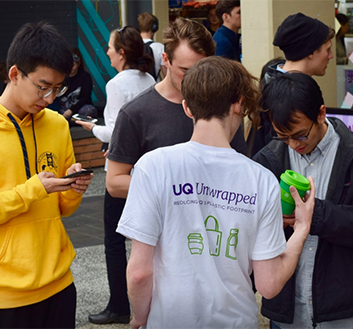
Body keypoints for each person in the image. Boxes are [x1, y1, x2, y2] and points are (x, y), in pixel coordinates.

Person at [117, 56, 316, 329]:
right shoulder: (261, 180)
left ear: (187, 108)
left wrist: (140, 317)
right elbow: (268, 285)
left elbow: (139, 273)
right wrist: (302, 228)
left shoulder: (153, 166)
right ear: (239, 104)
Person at [0, 22, 93, 329]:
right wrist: (30, 191)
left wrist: (72, 188)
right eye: (42, 86)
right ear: (14, 74)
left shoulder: (57, 126)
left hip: (60, 286)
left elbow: (62, 209)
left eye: (57, 88)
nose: (50, 98)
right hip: (1, 297)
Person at [103, 17, 247, 325]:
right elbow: (114, 182)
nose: (198, 80)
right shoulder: (137, 113)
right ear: (165, 60)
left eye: (204, 69)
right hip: (168, 253)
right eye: (187, 70)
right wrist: (174, 187)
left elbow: (243, 169)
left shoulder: (225, 109)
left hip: (223, 253)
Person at [253, 72, 353, 329]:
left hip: (347, 314)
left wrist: (316, 215)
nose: (292, 144)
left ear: (321, 113)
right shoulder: (267, 161)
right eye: (282, 136)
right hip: (286, 314)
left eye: (299, 134)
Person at [80, 25, 155, 325]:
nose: (107, 51)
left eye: (111, 47)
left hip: (122, 170)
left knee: (113, 240)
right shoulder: (149, 78)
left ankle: (119, 306)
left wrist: (90, 128)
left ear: (122, 53)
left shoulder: (116, 84)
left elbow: (114, 130)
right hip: (148, 167)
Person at [248, 13, 335, 157]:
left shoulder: (271, 83)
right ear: (311, 52)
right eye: (327, 49)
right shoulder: (281, 99)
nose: (331, 55)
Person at [49, 48, 97, 122]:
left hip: (78, 108)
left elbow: (85, 97)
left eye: (73, 65)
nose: (71, 68)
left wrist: (71, 110)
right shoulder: (61, 76)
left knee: (89, 110)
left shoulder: (85, 77)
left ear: (78, 64)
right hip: (62, 108)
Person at [137, 12, 166, 81]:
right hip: (154, 86)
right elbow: (166, 74)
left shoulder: (133, 46)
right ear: (154, 28)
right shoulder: (159, 48)